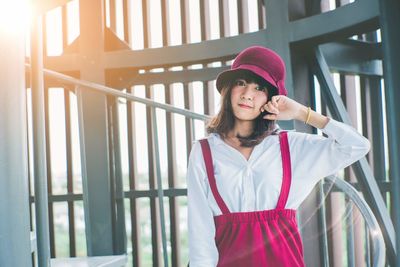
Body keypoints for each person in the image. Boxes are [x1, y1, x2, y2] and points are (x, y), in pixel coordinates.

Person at [186, 46, 370, 267]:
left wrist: (303, 113)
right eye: (241, 83)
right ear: (229, 89)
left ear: (271, 98)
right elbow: (200, 234)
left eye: (259, 88)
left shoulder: (292, 147)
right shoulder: (204, 152)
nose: (247, 94)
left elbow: (357, 146)